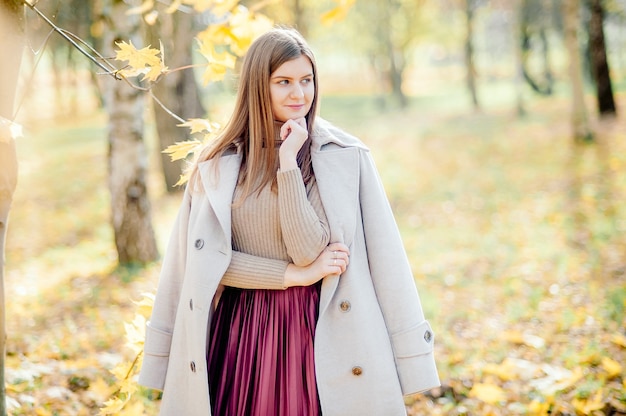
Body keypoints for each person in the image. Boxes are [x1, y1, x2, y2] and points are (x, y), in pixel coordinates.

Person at [138, 27, 440, 416]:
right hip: (241, 335)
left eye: (306, 80)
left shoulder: (343, 156)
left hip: (318, 332)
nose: (299, 94)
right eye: (283, 82)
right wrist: (292, 276)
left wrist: (288, 165)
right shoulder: (217, 164)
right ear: (257, 86)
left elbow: (314, 251)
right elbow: (199, 265)